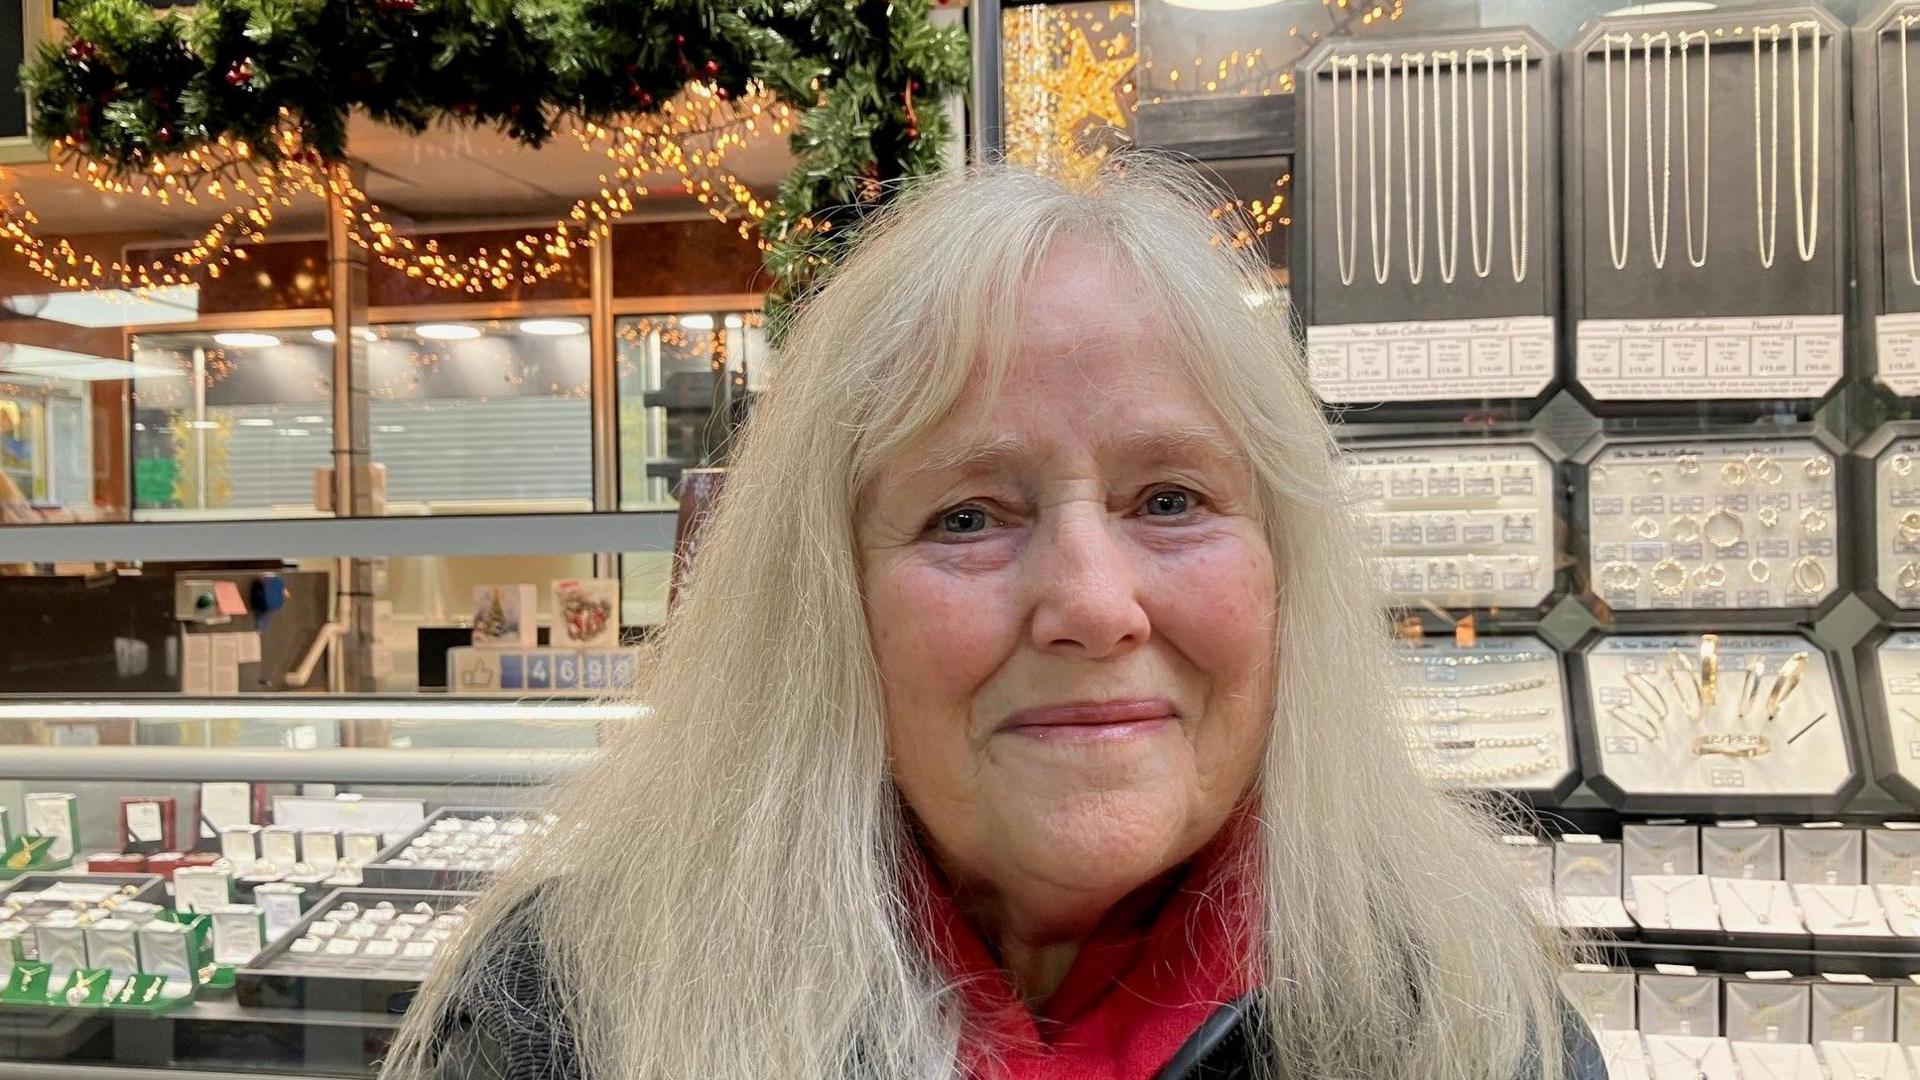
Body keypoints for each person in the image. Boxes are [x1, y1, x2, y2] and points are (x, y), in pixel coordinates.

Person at [381, 160, 1605, 1080]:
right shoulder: (576, 1011)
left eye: (1170, 499)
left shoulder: (1466, 1015)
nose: (1090, 603)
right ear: (826, 602)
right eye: (967, 517)